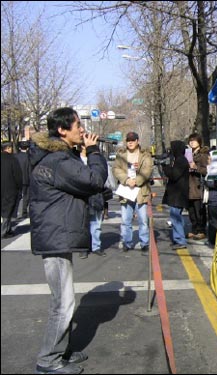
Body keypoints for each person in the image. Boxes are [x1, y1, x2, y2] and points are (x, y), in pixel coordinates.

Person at [29, 107, 107, 374]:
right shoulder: (58, 162)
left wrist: (81, 152)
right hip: (55, 237)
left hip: (57, 235)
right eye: (77, 125)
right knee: (62, 303)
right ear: (62, 130)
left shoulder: (60, 156)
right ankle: (48, 361)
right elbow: (93, 180)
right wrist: (94, 153)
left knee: (63, 300)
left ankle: (60, 351)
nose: (82, 130)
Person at [112, 131, 153, 255]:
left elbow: (148, 169)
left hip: (141, 191)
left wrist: (136, 181)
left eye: (132, 140)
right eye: (128, 141)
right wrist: (126, 179)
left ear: (137, 141)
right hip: (126, 191)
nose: (130, 142)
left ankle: (144, 242)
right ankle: (127, 242)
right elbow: (116, 169)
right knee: (125, 219)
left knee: (143, 220)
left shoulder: (145, 155)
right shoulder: (121, 155)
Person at [78, 145, 107, 258]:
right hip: (81, 196)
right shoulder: (75, 159)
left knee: (96, 224)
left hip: (96, 195)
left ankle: (96, 246)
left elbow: (103, 173)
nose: (85, 147)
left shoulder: (97, 158)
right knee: (82, 224)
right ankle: (84, 248)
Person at [162, 140, 189, 250]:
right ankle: (178, 238)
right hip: (177, 194)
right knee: (177, 217)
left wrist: (165, 167)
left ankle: (180, 240)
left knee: (175, 217)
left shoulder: (181, 161)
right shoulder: (179, 160)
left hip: (178, 194)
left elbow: (174, 175)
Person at [187, 133, 209, 241]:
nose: (192, 142)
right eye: (190, 140)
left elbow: (206, 170)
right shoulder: (188, 154)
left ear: (199, 142)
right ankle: (194, 229)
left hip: (198, 186)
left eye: (194, 140)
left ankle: (201, 230)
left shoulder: (203, 155)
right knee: (191, 210)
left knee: (199, 209)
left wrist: (196, 167)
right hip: (189, 186)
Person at [1, 141, 23, 238]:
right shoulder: (13, 159)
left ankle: (8, 229)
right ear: (9, 148)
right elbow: (17, 175)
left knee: (4, 209)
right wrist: (20, 186)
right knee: (9, 209)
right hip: (10, 188)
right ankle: (4, 230)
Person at [13, 139, 31, 219]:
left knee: (18, 196)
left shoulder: (15, 157)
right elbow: (29, 169)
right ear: (27, 148)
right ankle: (24, 212)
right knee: (26, 196)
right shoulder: (29, 157)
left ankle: (15, 211)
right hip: (26, 179)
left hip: (16, 179)